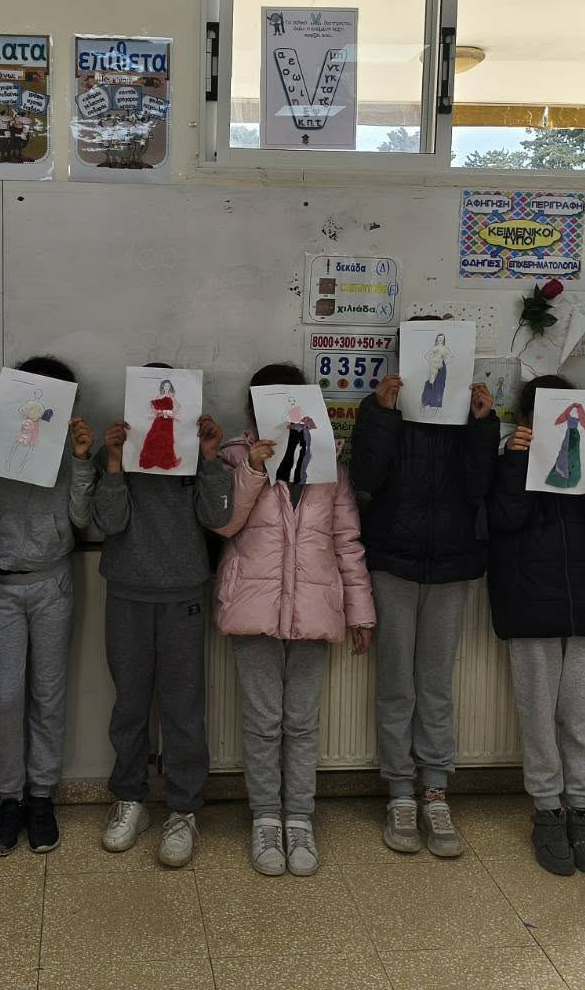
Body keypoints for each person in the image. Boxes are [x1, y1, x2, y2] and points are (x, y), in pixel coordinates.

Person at [214, 363, 374, 877]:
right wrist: (253, 470)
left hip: (314, 606)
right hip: (253, 605)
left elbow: (347, 541)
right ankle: (266, 818)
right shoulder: (235, 458)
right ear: (254, 410)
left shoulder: (330, 466)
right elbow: (224, 524)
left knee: (301, 722)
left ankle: (299, 818)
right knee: (263, 722)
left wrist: (361, 611)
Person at [347, 340, 498, 859]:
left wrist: (482, 425)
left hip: (452, 565)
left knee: (435, 685)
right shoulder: (382, 408)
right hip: (393, 562)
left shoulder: (468, 413)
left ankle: (435, 789)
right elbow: (364, 478)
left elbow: (480, 486)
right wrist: (382, 415)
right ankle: (399, 792)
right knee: (396, 685)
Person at [93, 365, 229, 868]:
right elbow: (107, 521)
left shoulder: (197, 451)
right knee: (129, 704)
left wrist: (210, 459)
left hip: (183, 594)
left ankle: (183, 809)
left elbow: (218, 517)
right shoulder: (119, 450)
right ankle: (130, 798)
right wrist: (113, 464)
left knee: (182, 707)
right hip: (127, 592)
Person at [0, 356, 95, 857]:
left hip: (52, 581)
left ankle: (41, 796)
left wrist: (82, 460)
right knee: (4, 696)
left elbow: (82, 515)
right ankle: (9, 798)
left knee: (48, 694)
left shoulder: (68, 449)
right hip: (2, 582)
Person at [487, 375, 585, 878]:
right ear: (527, 420)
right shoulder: (512, 457)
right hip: (528, 603)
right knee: (538, 714)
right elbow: (505, 518)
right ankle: (547, 809)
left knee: (581, 712)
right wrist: (517, 460)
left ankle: (583, 808)